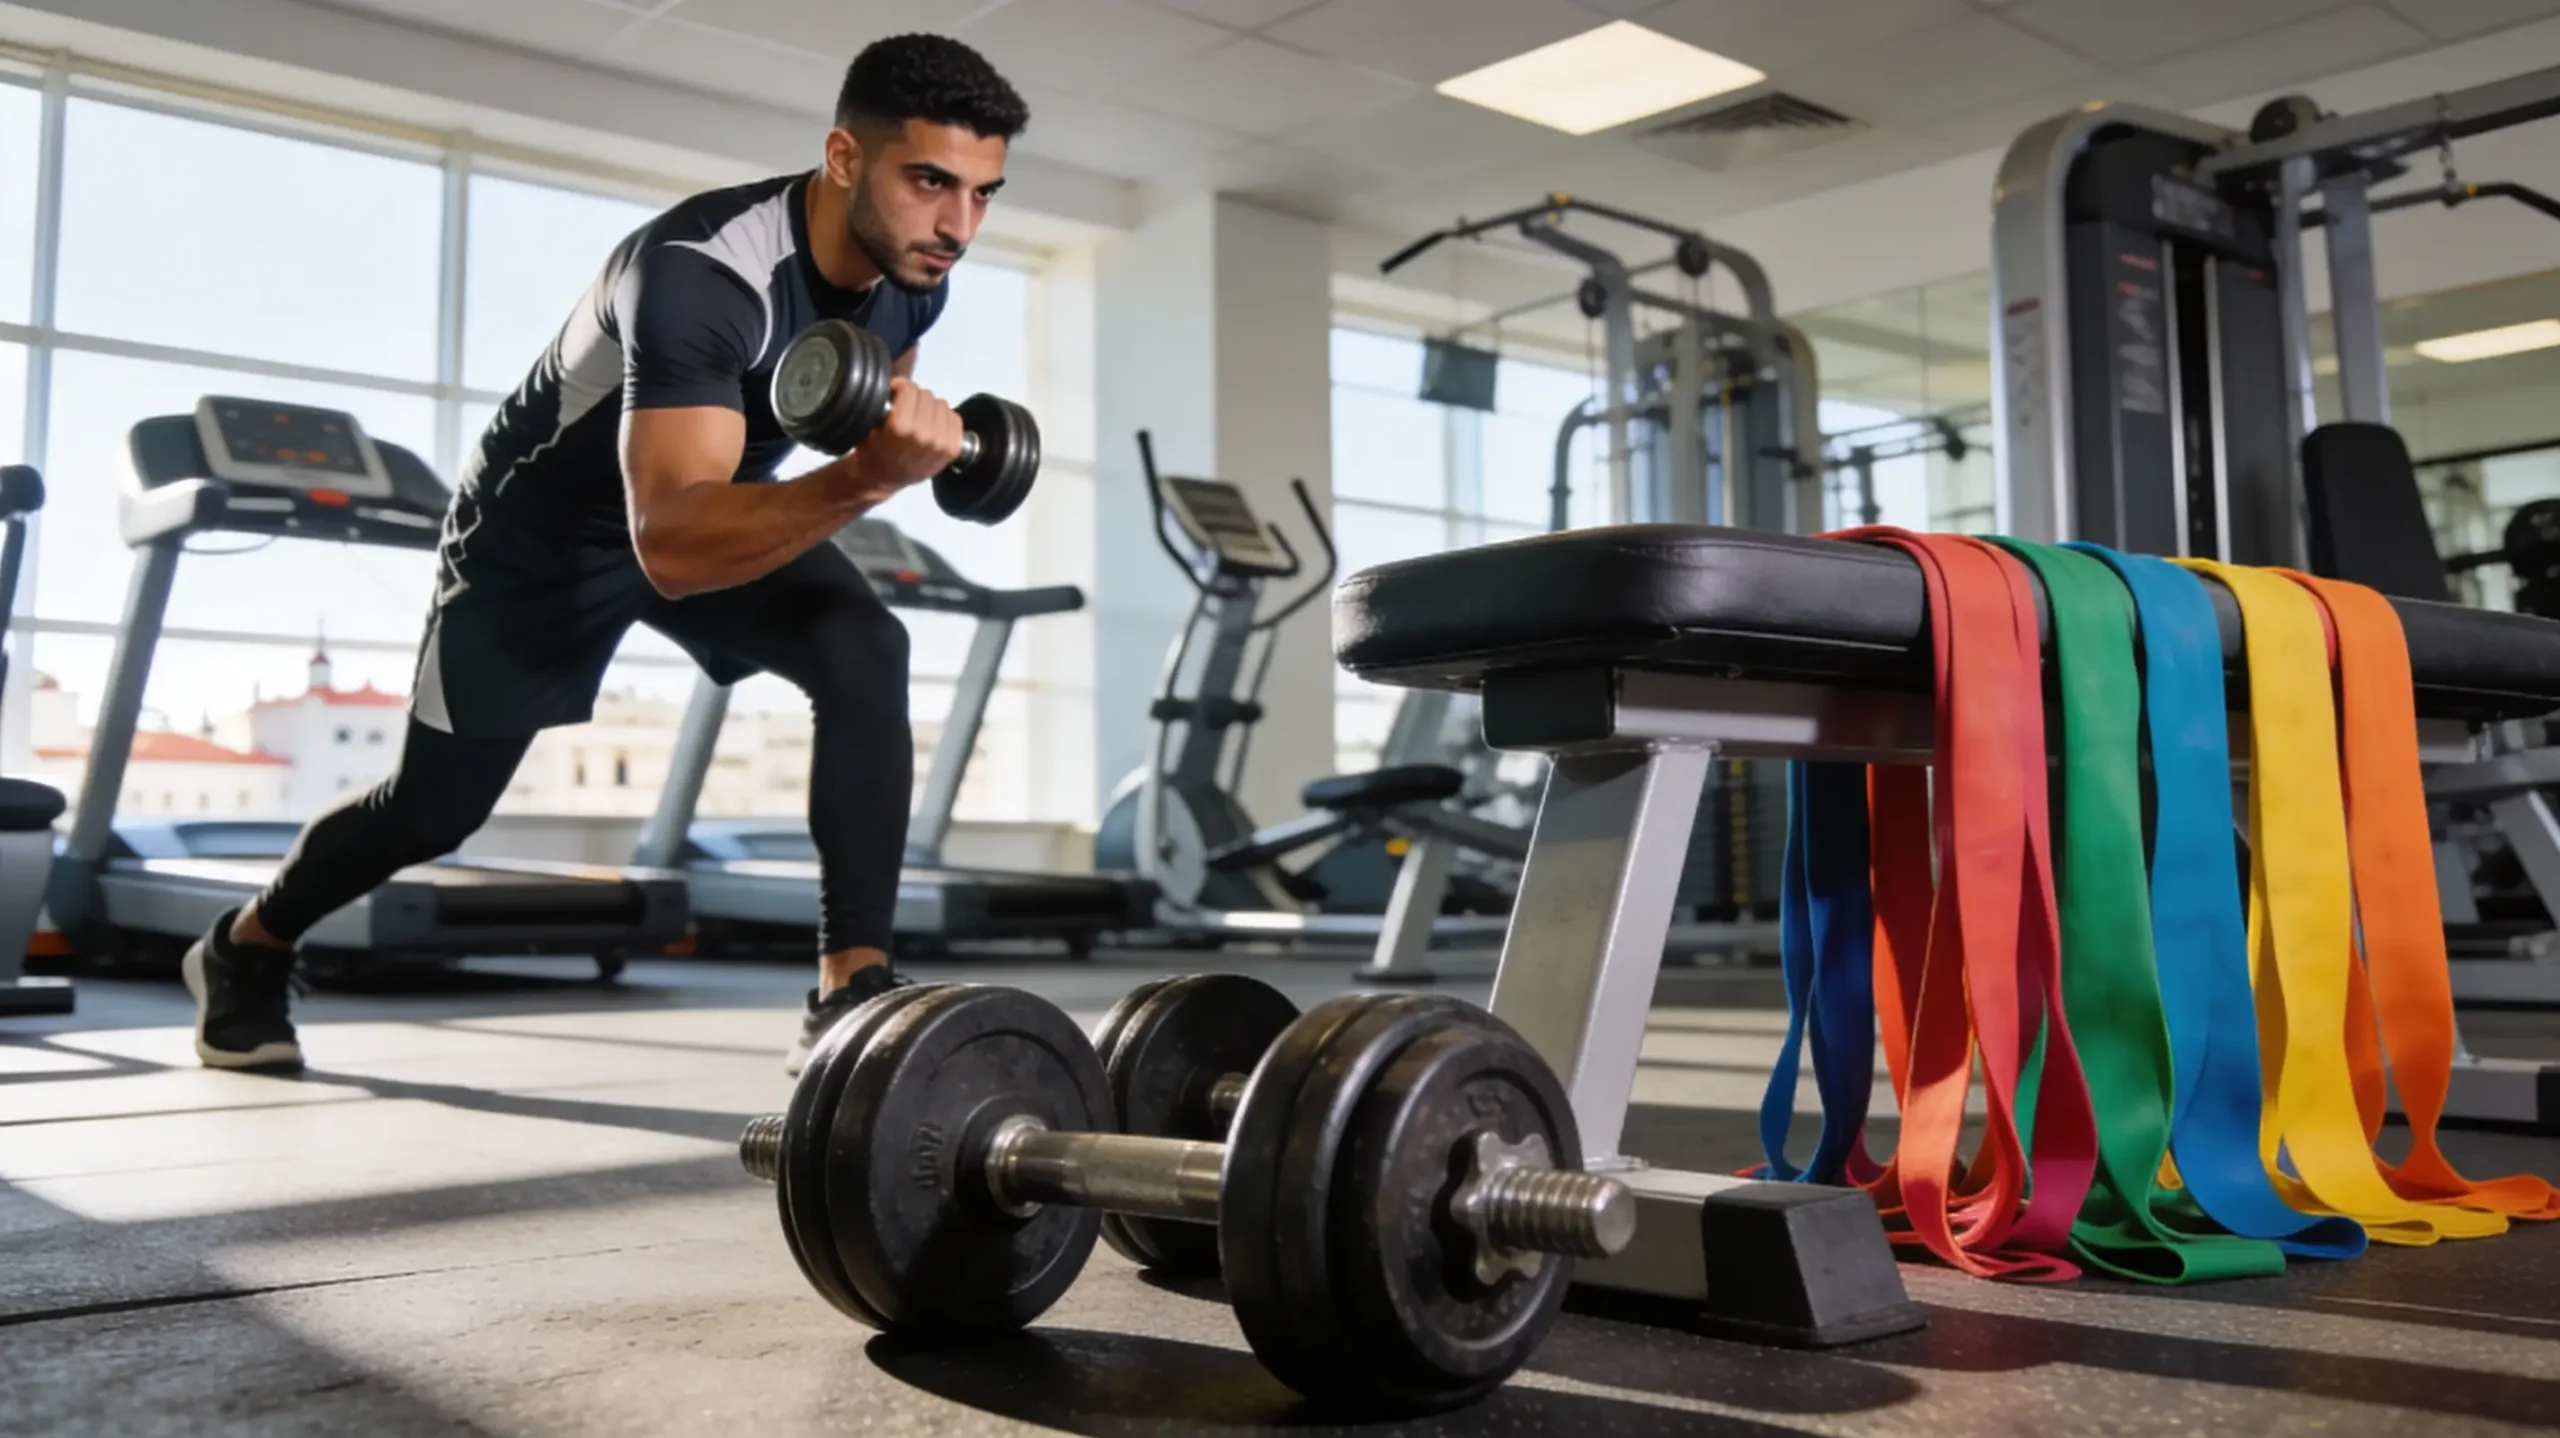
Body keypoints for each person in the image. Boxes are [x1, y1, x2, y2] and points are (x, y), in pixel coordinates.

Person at [179, 34, 1029, 1075]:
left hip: (708, 503)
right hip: (543, 537)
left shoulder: (915, 277)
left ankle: (849, 993)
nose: (957, 225)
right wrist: (871, 474)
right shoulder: (698, 272)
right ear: (846, 158)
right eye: (931, 182)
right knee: (432, 810)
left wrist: (912, 446)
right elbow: (670, 543)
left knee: (863, 644)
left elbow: (839, 401)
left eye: (983, 194)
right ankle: (246, 945)